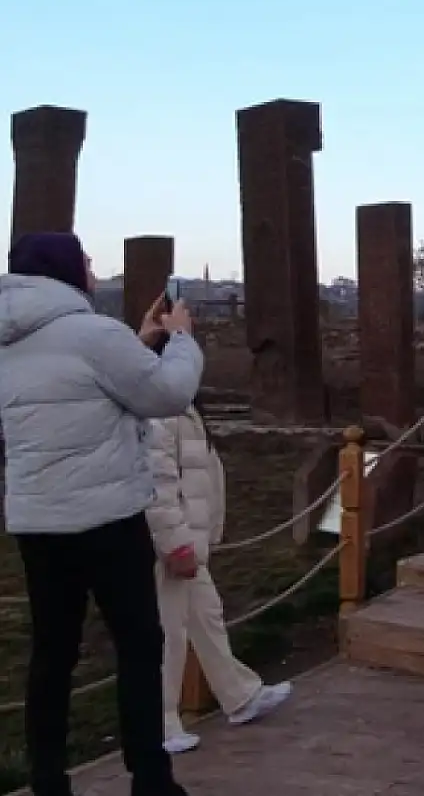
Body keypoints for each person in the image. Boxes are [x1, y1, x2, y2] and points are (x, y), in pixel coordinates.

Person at [0, 232, 200, 796]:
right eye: (85, 258)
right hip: (108, 519)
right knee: (138, 646)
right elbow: (165, 394)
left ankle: (47, 782)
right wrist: (180, 339)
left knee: (52, 655)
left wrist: (138, 342)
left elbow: (78, 388)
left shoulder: (11, 340)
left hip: (38, 522)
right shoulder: (93, 334)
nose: (91, 266)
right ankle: (150, 779)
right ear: (64, 269)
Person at [142, 330, 292, 755]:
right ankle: (161, 721)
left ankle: (239, 695)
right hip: (169, 541)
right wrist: (176, 543)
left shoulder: (182, 407)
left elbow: (200, 471)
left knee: (206, 616)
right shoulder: (159, 412)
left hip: (190, 534)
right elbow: (159, 482)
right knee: (168, 629)